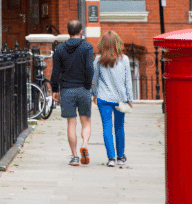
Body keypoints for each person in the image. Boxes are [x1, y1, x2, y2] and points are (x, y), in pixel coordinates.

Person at [50, 19, 95, 166]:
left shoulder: (60, 49)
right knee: (86, 122)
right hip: (83, 88)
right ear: (81, 31)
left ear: (68, 31)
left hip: (67, 90)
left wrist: (55, 89)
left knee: (71, 123)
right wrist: (88, 85)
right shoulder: (87, 47)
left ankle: (75, 156)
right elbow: (89, 68)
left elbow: (55, 72)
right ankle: (85, 145)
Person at [92, 30, 134, 167]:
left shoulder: (98, 60)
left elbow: (94, 80)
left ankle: (111, 158)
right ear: (118, 43)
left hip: (103, 98)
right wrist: (130, 99)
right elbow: (128, 81)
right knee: (119, 127)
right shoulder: (125, 59)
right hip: (120, 99)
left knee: (106, 127)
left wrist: (94, 94)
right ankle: (121, 156)